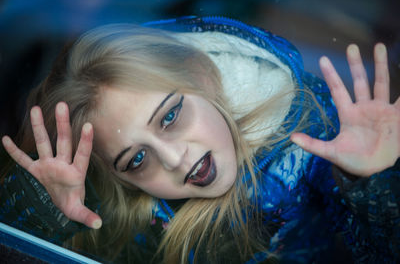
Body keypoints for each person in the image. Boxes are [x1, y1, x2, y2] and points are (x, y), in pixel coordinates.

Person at [1, 16, 399, 264]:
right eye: (136, 160)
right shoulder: (131, 219)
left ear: (203, 77)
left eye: (170, 117)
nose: (174, 159)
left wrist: (373, 182)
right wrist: (39, 217)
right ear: (120, 178)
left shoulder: (313, 138)